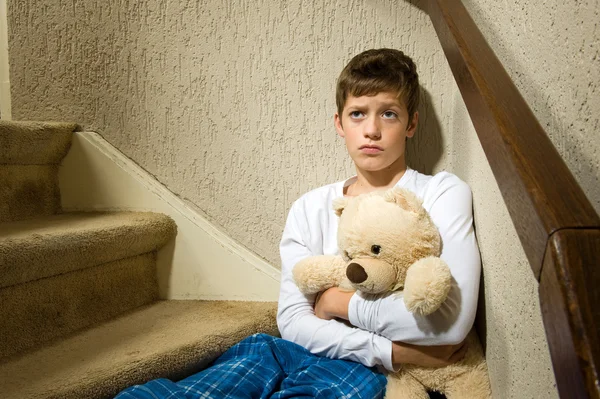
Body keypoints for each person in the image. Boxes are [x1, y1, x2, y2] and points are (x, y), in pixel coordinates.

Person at [116, 48, 480, 398]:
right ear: (339, 123)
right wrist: (393, 351)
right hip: (284, 351)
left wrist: (336, 303)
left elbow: (449, 320)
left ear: (411, 123)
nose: (371, 130)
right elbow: (292, 320)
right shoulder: (310, 206)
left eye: (388, 114)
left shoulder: (441, 193)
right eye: (357, 114)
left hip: (357, 373)